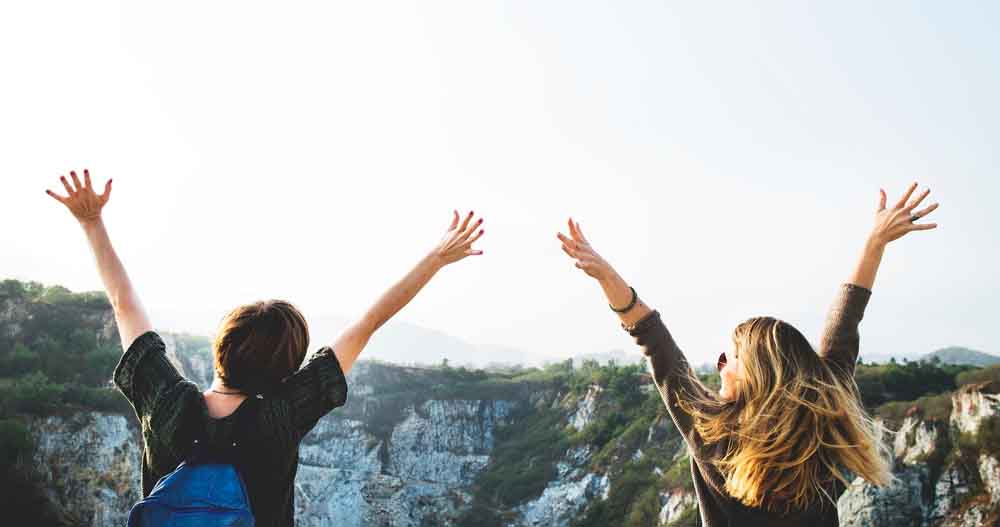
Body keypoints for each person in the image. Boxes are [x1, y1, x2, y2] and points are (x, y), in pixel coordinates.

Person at [45, 169, 485, 527]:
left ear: (221, 346)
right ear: (288, 367)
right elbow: (368, 324)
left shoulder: (166, 403)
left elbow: (124, 304)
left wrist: (92, 222)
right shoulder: (282, 414)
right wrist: (436, 258)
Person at [555, 183, 939, 526]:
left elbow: (654, 341)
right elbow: (846, 321)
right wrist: (874, 243)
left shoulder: (711, 433)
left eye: (729, 359)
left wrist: (607, 278)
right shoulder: (821, 425)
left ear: (754, 375)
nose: (720, 366)